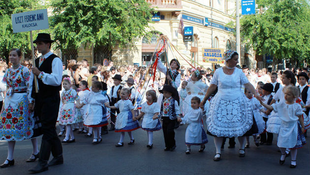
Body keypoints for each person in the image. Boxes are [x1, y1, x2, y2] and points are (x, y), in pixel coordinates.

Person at [200, 50, 261, 161]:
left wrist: (256, 95)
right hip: (221, 101)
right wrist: (204, 100)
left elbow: (247, 84)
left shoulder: (239, 72)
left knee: (239, 125)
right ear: (228, 59)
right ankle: (218, 151)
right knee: (219, 126)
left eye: (237, 59)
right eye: (235, 59)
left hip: (237, 101)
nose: (237, 61)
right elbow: (213, 86)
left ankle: (241, 148)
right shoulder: (218, 72)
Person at [0, 49, 40, 168]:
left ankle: (35, 151)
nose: (12, 57)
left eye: (14, 55)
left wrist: (31, 101)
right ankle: (10, 157)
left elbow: (30, 86)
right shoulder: (7, 71)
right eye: (10, 55)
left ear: (19, 57)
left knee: (28, 126)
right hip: (10, 101)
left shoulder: (24, 70)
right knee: (9, 128)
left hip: (22, 100)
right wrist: (5, 103)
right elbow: (7, 86)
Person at [29, 33, 63, 173]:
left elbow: (56, 80)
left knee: (48, 128)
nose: (38, 46)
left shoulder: (55, 60)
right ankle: (58, 155)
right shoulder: (36, 61)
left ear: (48, 44)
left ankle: (43, 161)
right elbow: (33, 83)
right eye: (37, 43)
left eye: (40, 43)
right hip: (40, 98)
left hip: (51, 98)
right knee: (47, 128)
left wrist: (40, 74)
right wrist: (31, 99)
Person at [260, 85, 306, 168]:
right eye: (285, 94)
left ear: (294, 96)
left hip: (293, 127)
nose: (286, 96)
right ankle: (283, 153)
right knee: (281, 144)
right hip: (284, 126)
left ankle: (293, 160)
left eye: (288, 94)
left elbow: (300, 117)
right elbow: (271, 107)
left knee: (293, 145)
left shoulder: (297, 106)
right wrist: (262, 103)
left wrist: (303, 126)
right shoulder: (282, 104)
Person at [159, 85, 181, 151]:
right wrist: (159, 115)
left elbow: (177, 109)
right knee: (165, 132)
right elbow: (162, 109)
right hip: (164, 117)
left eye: (166, 92)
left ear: (170, 93)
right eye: (164, 93)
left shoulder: (174, 101)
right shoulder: (163, 101)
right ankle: (167, 145)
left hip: (171, 118)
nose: (164, 94)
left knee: (170, 131)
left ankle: (172, 144)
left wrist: (178, 116)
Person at [58, 77, 78, 143]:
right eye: (63, 84)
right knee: (67, 123)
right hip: (65, 107)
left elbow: (77, 98)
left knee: (68, 123)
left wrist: (79, 104)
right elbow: (62, 100)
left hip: (71, 106)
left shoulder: (73, 91)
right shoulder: (63, 92)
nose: (64, 85)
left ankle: (67, 137)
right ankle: (72, 137)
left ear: (70, 84)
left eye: (66, 84)